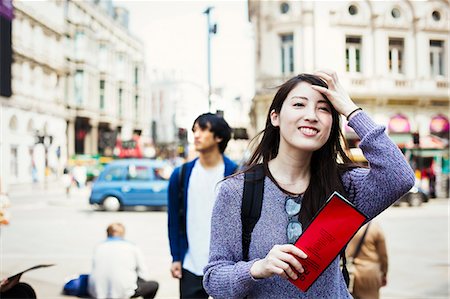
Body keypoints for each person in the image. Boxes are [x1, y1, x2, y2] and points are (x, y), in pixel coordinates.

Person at [203, 71, 415, 298]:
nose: (311, 115)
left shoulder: (344, 184)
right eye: (299, 104)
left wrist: (350, 109)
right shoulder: (237, 190)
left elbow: (400, 177)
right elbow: (214, 279)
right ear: (275, 117)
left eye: (324, 108)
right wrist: (257, 268)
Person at [168, 113, 238, 298]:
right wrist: (176, 257)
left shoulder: (237, 174)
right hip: (191, 264)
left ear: (219, 137)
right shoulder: (181, 174)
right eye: (194, 130)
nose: (196, 135)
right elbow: (174, 219)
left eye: (203, 129)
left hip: (228, 267)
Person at [88, 223, 158, 299]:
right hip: (123, 291)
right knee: (154, 285)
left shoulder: (98, 247)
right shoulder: (132, 247)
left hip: (97, 291)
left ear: (107, 233)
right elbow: (143, 273)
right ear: (123, 233)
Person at [346, 221, 388, 299]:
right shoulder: (376, 228)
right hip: (370, 273)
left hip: (352, 273)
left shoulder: (350, 225)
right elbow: (383, 256)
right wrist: (384, 273)